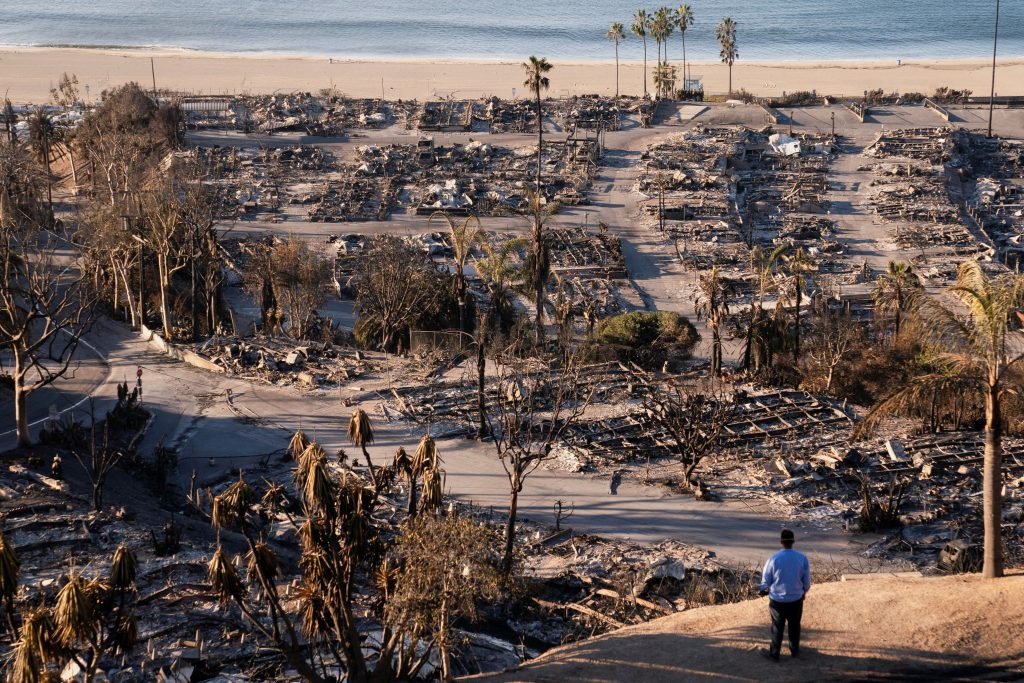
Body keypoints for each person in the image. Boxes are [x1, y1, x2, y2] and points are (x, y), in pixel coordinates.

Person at [758, 529, 811, 661]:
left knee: (777, 627)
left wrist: (763, 590)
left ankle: (775, 653)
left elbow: (765, 582)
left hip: (777, 601)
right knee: (794, 625)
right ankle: (794, 650)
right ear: (793, 541)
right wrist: (803, 591)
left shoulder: (773, 559)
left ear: (781, 542)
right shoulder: (802, 558)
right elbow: (807, 582)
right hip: (796, 599)